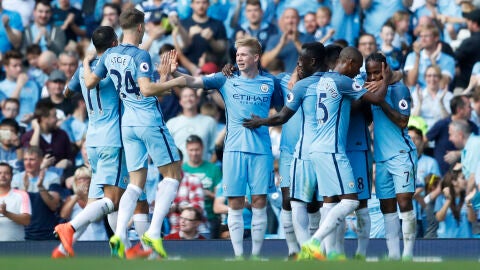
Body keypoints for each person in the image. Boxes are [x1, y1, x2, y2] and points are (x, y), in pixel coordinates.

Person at [164, 36, 283, 259]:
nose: (239, 58)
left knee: (259, 201)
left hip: (261, 151)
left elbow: (283, 114)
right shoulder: (225, 78)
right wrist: (175, 72)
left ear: (256, 57)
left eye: (244, 54)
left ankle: (256, 256)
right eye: (237, 54)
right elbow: (194, 82)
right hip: (234, 150)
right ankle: (239, 256)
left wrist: (264, 122)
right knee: (235, 201)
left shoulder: (270, 83)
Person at [82, 8, 185, 259]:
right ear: (140, 27)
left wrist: (85, 62)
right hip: (148, 120)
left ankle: (119, 233)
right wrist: (174, 82)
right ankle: (153, 230)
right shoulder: (141, 54)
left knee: (136, 183)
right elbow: (147, 90)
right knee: (173, 174)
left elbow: (89, 82)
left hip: (126, 124)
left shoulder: (109, 55)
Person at [52, 26, 151, 259]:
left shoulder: (82, 69)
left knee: (109, 200)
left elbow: (67, 92)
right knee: (115, 198)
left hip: (93, 141)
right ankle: (71, 227)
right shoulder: (114, 67)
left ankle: (66, 249)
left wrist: (84, 65)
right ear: (115, 42)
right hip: (114, 141)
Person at [242, 42, 326, 258]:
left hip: (317, 150)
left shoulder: (324, 84)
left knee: (315, 203)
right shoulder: (282, 81)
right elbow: (257, 71)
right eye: (297, 63)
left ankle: (316, 249)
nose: (299, 66)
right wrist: (233, 67)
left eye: (302, 62)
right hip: (290, 151)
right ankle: (293, 250)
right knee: (289, 199)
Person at [367, 53, 417, 261]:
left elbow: (403, 121)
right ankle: (394, 255)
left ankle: (408, 255)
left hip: (401, 154)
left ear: (385, 69)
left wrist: (382, 97)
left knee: (404, 201)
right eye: (370, 74)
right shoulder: (369, 89)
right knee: (386, 206)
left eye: (377, 73)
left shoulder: (399, 89)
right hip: (381, 158)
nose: (373, 78)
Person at [11, 146, 62, 240]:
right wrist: (24, 190)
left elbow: (54, 205)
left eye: (32, 159)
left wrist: (41, 187)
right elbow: (15, 207)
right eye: (25, 159)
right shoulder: (16, 178)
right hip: (24, 232)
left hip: (47, 231)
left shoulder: (53, 177)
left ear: (41, 160)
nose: (28, 163)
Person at [426, 95, 478, 175]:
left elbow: (477, 148)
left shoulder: (473, 127)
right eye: (469, 107)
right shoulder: (442, 124)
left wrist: (459, 153)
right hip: (442, 177)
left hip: (463, 176)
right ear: (460, 110)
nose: (472, 109)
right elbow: (423, 140)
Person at [182, 134, 222, 239]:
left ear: (202, 148)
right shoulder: (182, 169)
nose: (194, 153)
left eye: (197, 150)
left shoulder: (214, 169)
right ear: (186, 149)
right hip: (187, 219)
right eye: (191, 150)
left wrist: (209, 194)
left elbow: (221, 197)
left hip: (210, 217)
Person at [166, 87, 217, 162]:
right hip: (180, 171)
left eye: (191, 96)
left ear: (198, 99)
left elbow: (213, 152)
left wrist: (207, 171)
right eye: (185, 96)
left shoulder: (209, 122)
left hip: (203, 171)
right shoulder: (171, 123)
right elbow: (167, 152)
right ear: (180, 101)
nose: (188, 99)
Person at [57, 166, 108, 241]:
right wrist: (77, 196)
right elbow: (63, 215)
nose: (82, 181)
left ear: (91, 181)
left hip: (100, 239)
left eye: (85, 178)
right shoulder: (71, 198)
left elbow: (95, 217)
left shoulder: (99, 197)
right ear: (75, 182)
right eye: (79, 179)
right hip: (78, 241)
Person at [21, 100, 73, 170]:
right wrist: (37, 129)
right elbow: (31, 155)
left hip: (61, 177)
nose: (57, 119)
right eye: (54, 116)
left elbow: (71, 159)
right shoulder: (27, 136)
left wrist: (66, 163)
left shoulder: (62, 134)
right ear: (44, 118)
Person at [262, 8, 315, 72]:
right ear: (283, 20)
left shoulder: (308, 38)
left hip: (301, 80)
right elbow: (264, 63)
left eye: (293, 17)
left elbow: (311, 59)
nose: (290, 21)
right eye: (287, 18)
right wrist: (281, 45)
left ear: (298, 20)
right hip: (279, 80)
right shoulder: (274, 39)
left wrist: (296, 41)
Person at [0, 50, 41, 125]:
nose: (19, 69)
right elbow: (9, 107)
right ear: (5, 67)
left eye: (20, 65)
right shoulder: (1, 87)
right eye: (15, 66)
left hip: (31, 127)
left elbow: (39, 107)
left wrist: (33, 115)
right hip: (10, 127)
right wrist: (19, 85)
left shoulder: (33, 85)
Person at [0, 162, 31, 241]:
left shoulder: (22, 195)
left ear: (12, 176)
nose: (2, 176)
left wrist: (6, 213)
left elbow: (26, 221)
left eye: (6, 173)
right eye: (0, 173)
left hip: (15, 248)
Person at [448, 119, 480, 193]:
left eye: (450, 134)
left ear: (460, 135)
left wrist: (467, 202)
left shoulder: (475, 145)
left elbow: (473, 177)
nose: (449, 139)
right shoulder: (468, 148)